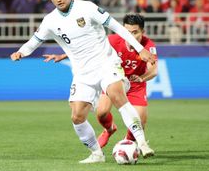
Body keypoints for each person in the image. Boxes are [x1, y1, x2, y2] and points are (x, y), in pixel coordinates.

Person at [10, 0, 156, 163]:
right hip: (82, 73)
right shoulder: (50, 21)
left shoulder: (87, 8)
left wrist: (140, 49)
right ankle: (97, 154)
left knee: (116, 95)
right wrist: (21, 52)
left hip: (106, 64)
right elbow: (35, 41)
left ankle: (142, 143)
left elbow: (117, 28)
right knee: (77, 116)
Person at [45, 13, 157, 147]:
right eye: (127, 32)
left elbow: (153, 70)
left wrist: (141, 78)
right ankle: (109, 129)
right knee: (102, 113)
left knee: (139, 121)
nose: (130, 37)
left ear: (142, 32)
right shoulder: (113, 40)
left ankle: (128, 144)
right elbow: (88, 49)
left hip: (135, 84)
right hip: (113, 80)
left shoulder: (148, 45)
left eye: (135, 33)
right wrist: (63, 56)